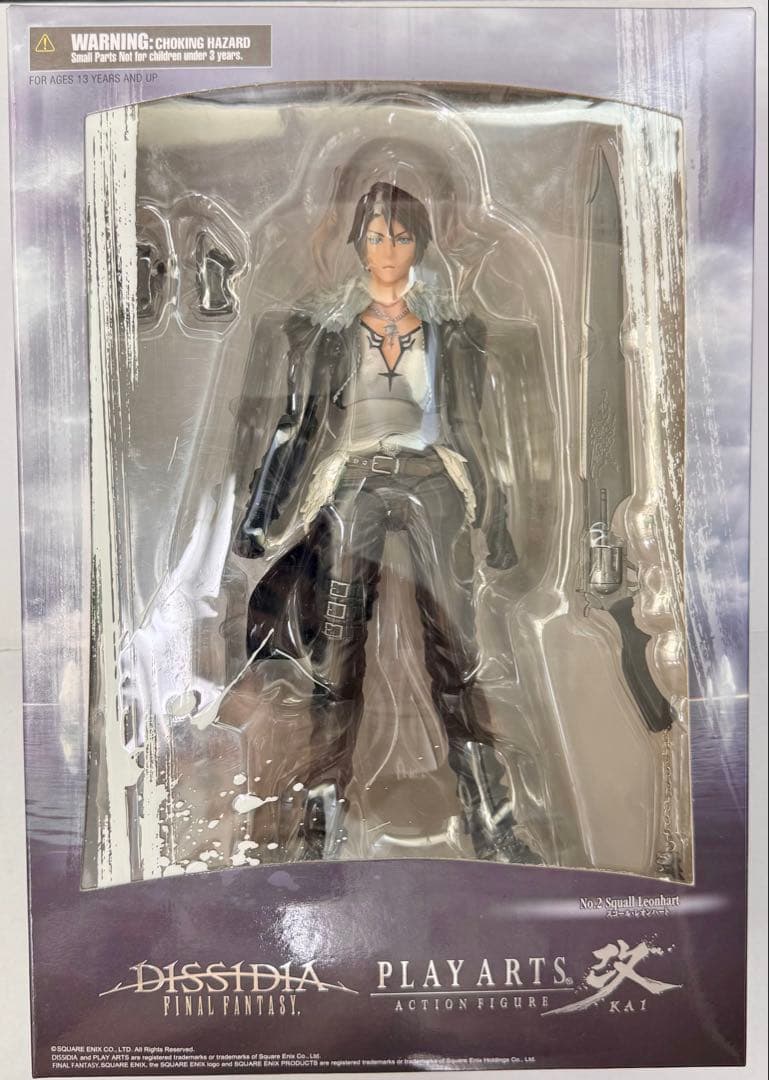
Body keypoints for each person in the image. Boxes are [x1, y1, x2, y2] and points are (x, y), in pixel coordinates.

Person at [234, 181, 540, 865]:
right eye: (376, 236)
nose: (388, 249)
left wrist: (496, 523)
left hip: (434, 480)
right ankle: (317, 830)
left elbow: (475, 431)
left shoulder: (453, 331)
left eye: (400, 236)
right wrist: (259, 516)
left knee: (457, 659)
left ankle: (493, 826)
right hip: (355, 484)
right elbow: (296, 425)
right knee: (334, 663)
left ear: (420, 244)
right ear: (357, 244)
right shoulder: (328, 331)